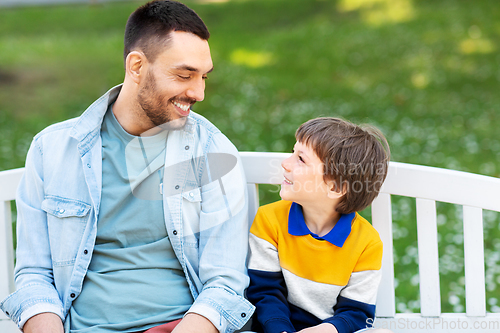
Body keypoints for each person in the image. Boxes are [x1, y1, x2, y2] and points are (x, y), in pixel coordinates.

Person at [0, 1, 254, 333]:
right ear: (136, 66)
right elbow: (34, 275)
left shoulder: (213, 153)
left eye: (203, 76)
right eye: (184, 74)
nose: (199, 92)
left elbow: (225, 283)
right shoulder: (53, 150)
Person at [246, 117, 391, 333]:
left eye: (301, 159)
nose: (286, 163)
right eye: (292, 152)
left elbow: (357, 313)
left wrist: (326, 330)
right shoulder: (269, 220)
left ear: (335, 187)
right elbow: (265, 293)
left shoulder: (366, 243)